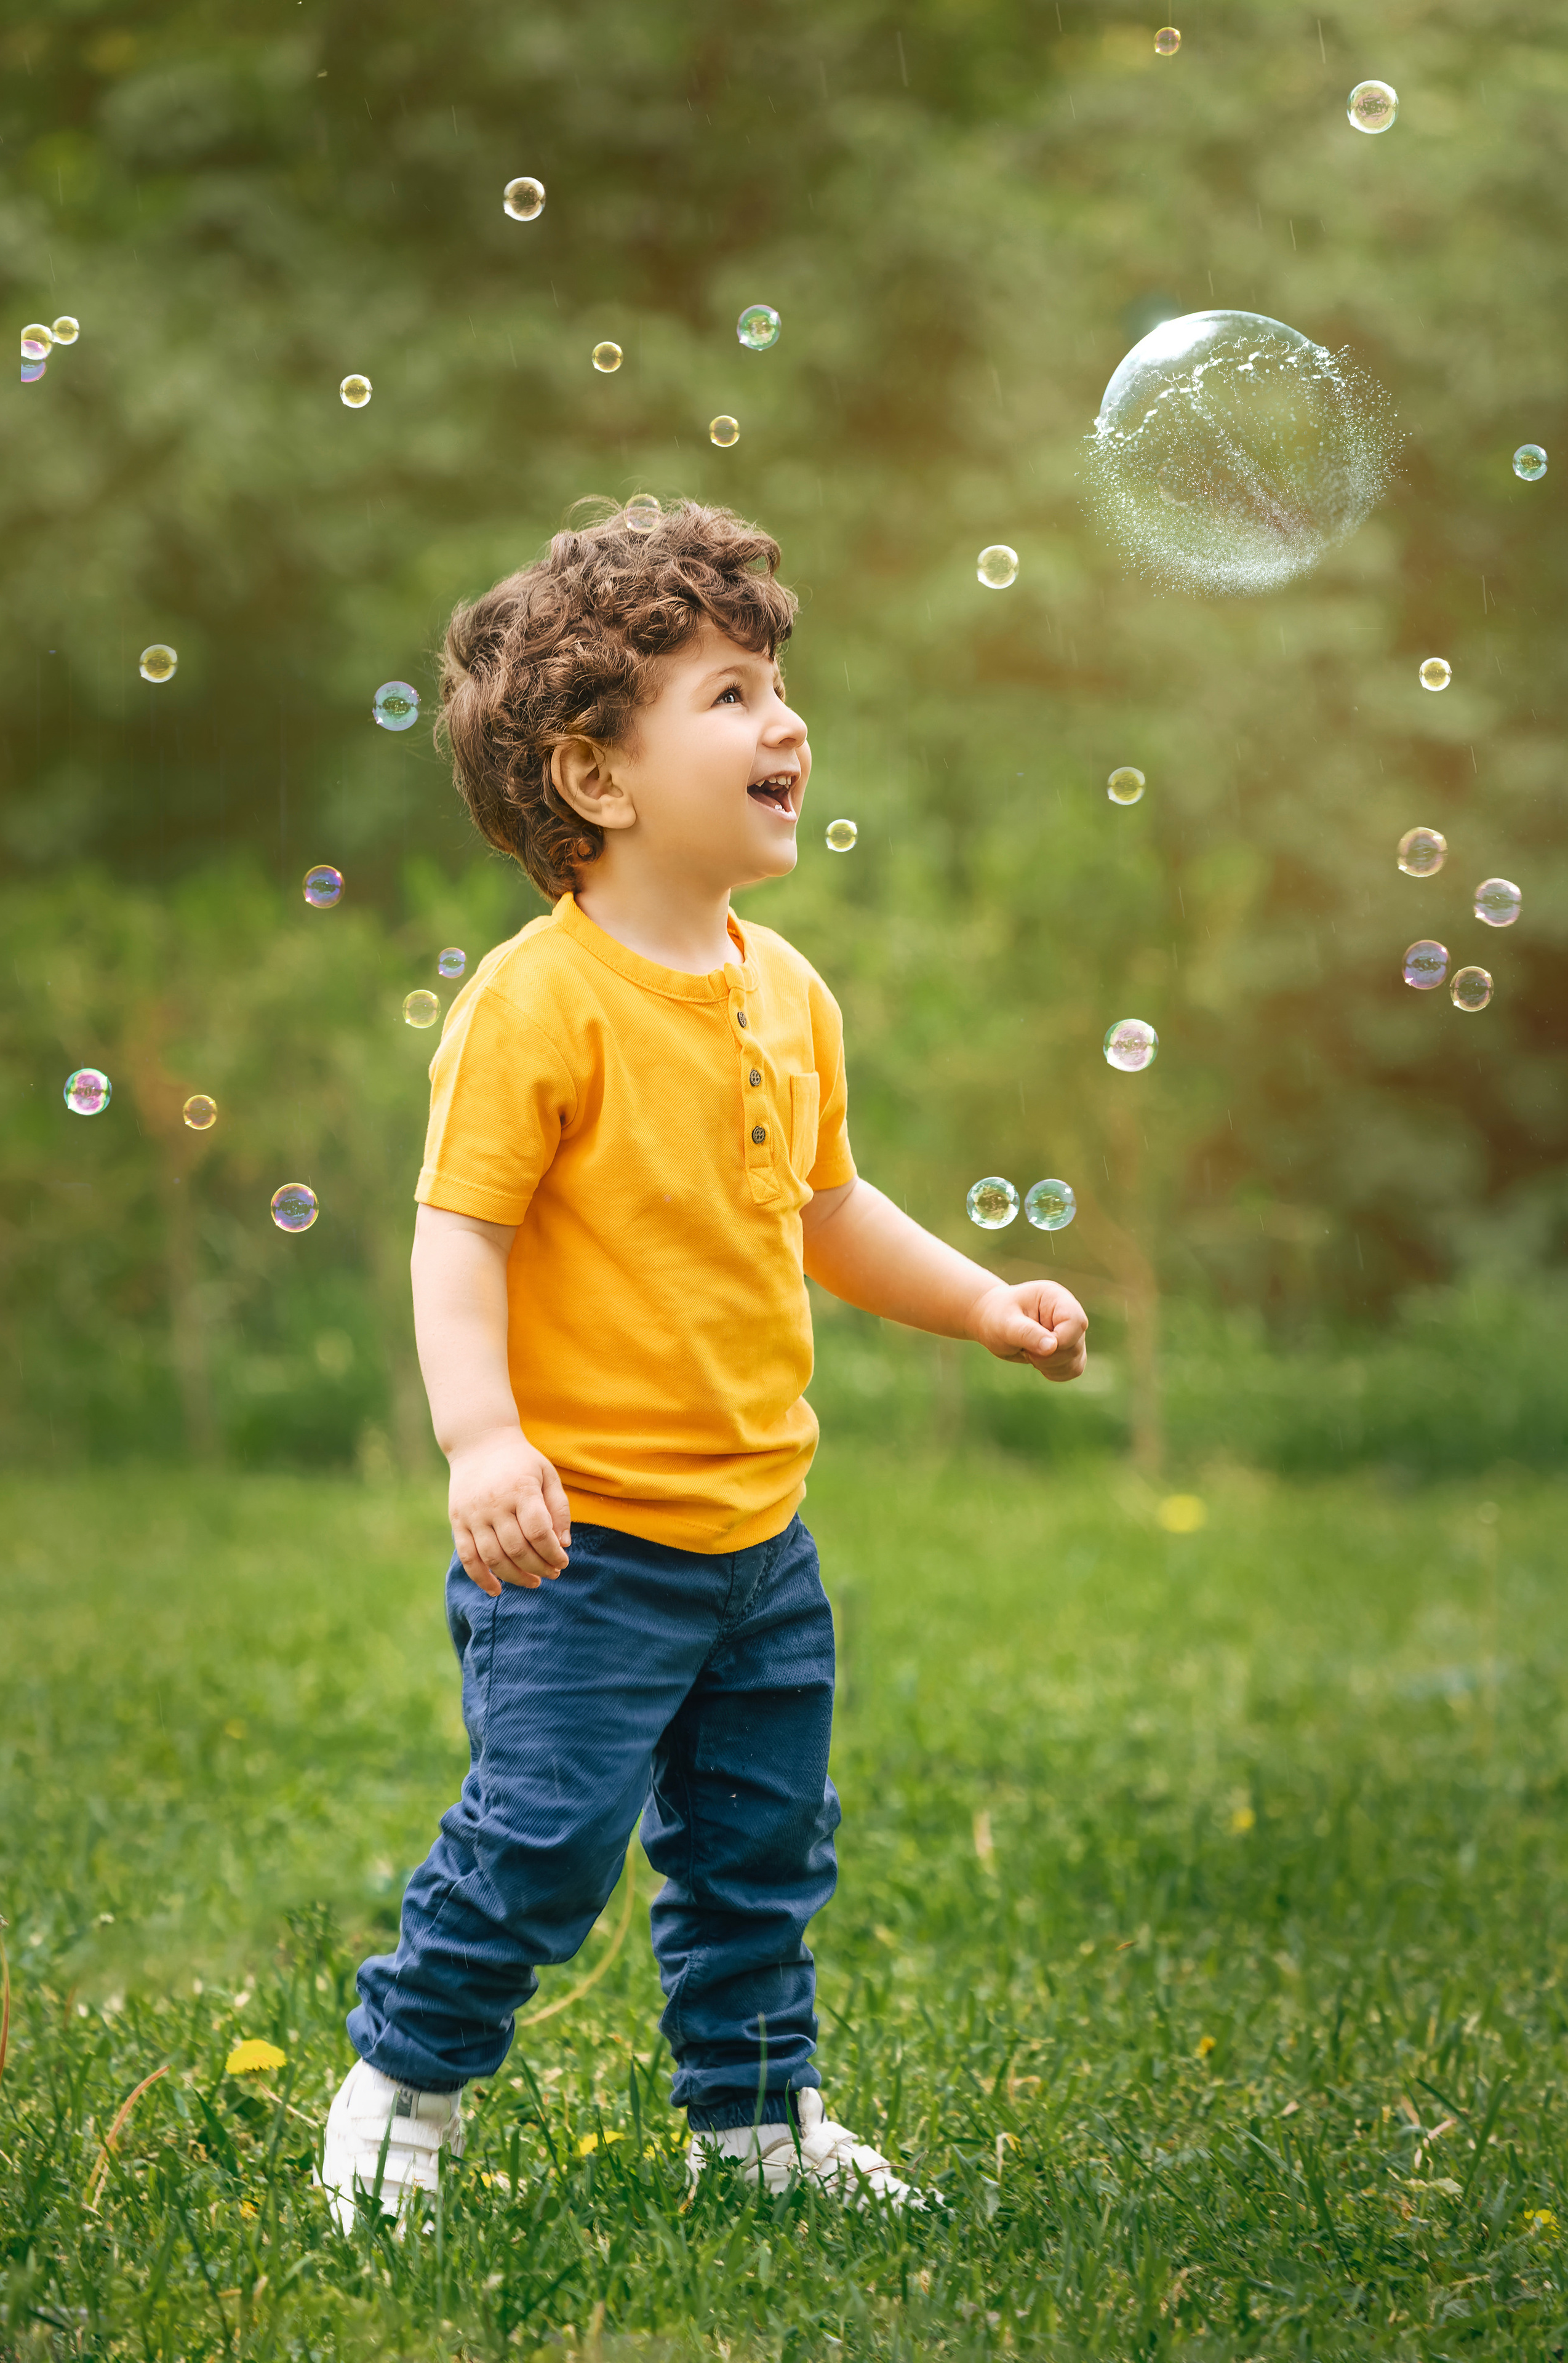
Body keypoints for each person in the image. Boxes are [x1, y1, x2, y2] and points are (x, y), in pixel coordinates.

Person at [319, 498, 1087, 2228]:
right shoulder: (540, 1004)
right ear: (597, 779)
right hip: (582, 1546)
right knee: (545, 1844)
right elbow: (462, 1234)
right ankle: (401, 2095)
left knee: (759, 1855)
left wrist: (979, 1300)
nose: (787, 724)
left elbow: (825, 1204)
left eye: (779, 688)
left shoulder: (785, 989)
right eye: (730, 696)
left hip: (758, 1539)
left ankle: (754, 2125)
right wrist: (481, 1439)